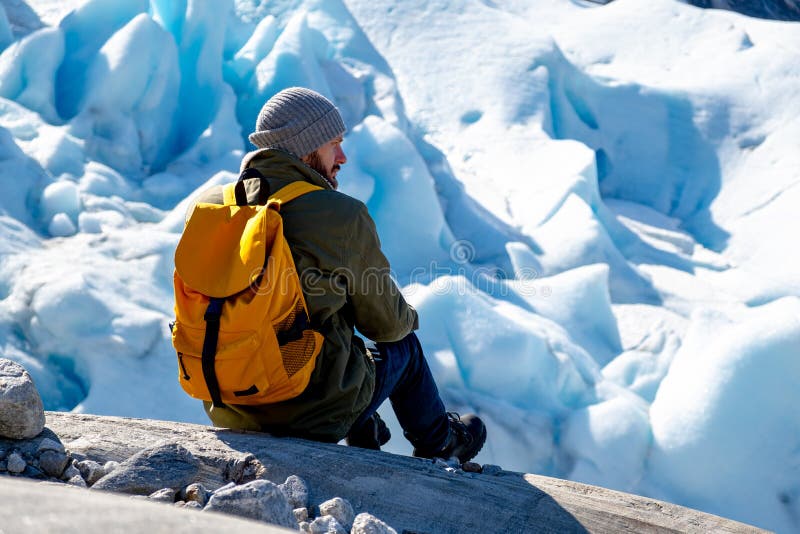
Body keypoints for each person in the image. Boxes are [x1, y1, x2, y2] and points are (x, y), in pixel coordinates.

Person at [196, 87, 486, 463]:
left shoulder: (216, 206)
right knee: (403, 349)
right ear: (306, 147)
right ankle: (443, 445)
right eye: (334, 144)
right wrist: (408, 315)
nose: (343, 157)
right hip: (302, 411)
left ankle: (360, 425)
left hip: (229, 406)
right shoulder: (336, 214)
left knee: (323, 327)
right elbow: (386, 324)